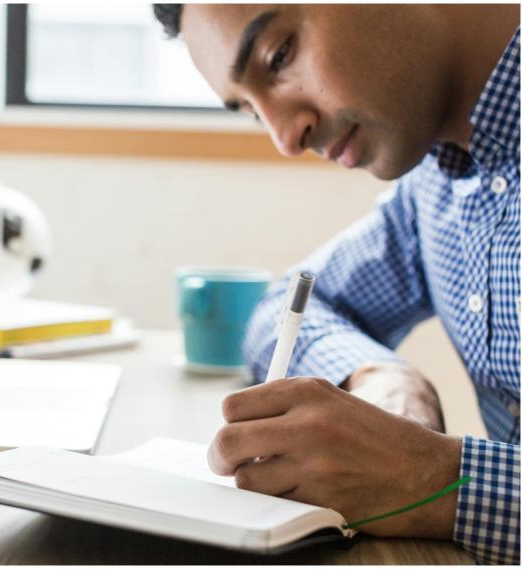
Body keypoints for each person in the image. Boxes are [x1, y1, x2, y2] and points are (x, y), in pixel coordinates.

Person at [153, 4, 519, 564]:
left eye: (279, 56)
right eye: (251, 111)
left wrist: (434, 479)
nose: (285, 137)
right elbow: (286, 305)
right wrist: (385, 379)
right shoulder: (434, 188)